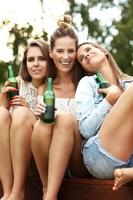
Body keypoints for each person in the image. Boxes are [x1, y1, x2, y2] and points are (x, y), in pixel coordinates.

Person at [31, 15, 88, 200]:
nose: (65, 57)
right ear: (51, 52)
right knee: (41, 124)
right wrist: (38, 116)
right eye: (60, 51)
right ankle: (47, 189)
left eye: (71, 51)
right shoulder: (44, 88)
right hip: (50, 160)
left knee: (64, 118)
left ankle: (49, 195)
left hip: (79, 159)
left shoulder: (86, 84)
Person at [75, 41, 133, 191]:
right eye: (81, 58)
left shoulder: (130, 82)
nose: (86, 55)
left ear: (104, 51)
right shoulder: (88, 84)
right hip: (101, 154)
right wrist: (109, 100)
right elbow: (86, 129)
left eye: (88, 49)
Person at [0, 39, 52, 200]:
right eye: (31, 59)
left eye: (41, 59)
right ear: (25, 63)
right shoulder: (17, 83)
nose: (35, 64)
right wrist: (4, 105)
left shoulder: (52, 86)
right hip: (13, 156)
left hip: (39, 156)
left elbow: (46, 126)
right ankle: (7, 192)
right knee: (1, 113)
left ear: (50, 61)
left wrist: (27, 110)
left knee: (22, 113)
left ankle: (18, 192)